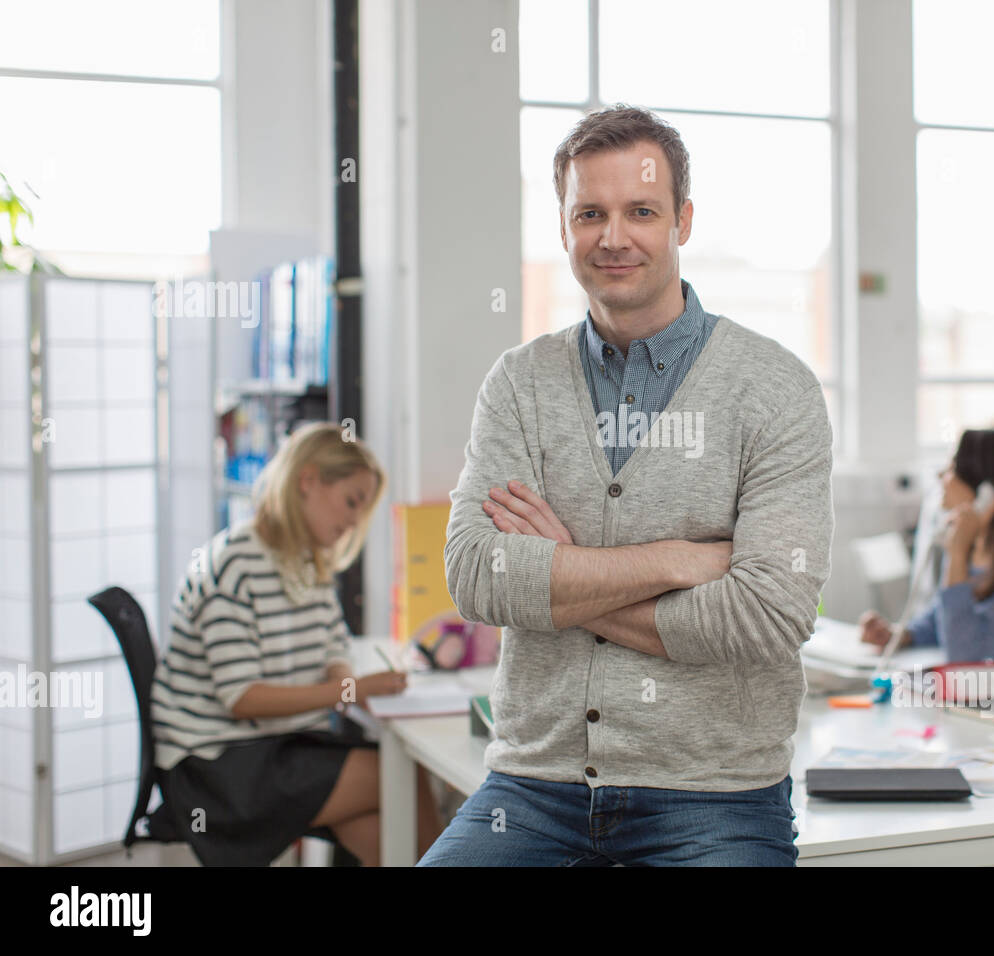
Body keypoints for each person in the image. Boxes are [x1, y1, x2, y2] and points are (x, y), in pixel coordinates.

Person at [418, 104, 833, 867]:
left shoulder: (776, 390)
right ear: (564, 226)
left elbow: (770, 614)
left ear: (682, 220)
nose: (614, 237)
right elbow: (476, 577)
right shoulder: (519, 384)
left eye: (641, 210)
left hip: (715, 794)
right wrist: (678, 559)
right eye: (590, 213)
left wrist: (563, 579)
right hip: (532, 789)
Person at [151, 422, 442, 865]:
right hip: (214, 768)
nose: (353, 522)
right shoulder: (233, 564)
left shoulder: (307, 564)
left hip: (272, 748)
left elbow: (333, 646)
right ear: (307, 481)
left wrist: (343, 677)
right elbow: (242, 698)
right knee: (397, 778)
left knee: (387, 827)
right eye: (351, 502)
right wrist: (352, 691)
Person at [859, 428, 994, 662]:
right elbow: (943, 621)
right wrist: (900, 635)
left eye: (953, 468)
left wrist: (957, 556)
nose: (942, 475)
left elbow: (964, 653)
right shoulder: (976, 552)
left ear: (988, 494)